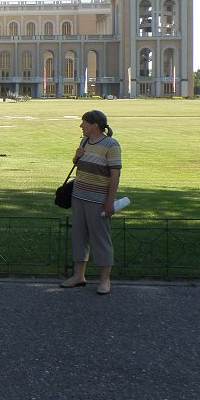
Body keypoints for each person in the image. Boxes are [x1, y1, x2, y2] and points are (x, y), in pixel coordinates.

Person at [62, 110, 121, 295]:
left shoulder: (111, 145)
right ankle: (79, 276)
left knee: (101, 239)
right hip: (78, 197)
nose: (81, 126)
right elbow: (77, 164)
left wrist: (109, 202)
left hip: (98, 200)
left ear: (94, 125)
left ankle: (105, 280)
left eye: (84, 123)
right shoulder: (84, 141)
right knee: (79, 237)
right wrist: (76, 156)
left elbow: (115, 175)